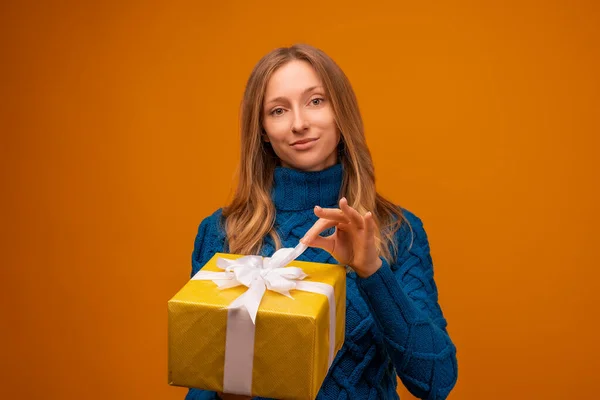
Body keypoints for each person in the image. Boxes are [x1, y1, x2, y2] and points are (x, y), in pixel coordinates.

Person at [186, 44, 458, 400]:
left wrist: (372, 271)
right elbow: (198, 384)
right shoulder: (222, 233)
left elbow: (436, 381)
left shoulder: (397, 232)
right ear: (263, 130)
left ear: (340, 111)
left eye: (316, 101)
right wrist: (226, 393)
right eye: (278, 110)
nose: (299, 123)